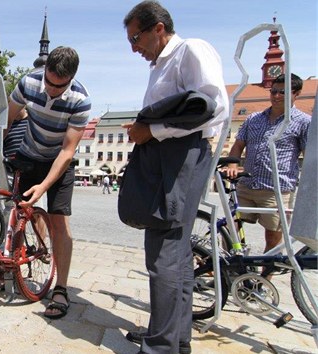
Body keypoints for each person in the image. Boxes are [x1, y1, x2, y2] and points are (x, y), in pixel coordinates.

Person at [121, 2, 229, 353]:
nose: (133, 48)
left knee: (164, 250)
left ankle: (161, 346)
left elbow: (212, 106)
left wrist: (153, 131)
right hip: (169, 156)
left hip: (180, 156)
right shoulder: (162, 62)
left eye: (136, 38)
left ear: (159, 28)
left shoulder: (190, 50)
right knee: (177, 253)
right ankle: (173, 337)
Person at [0, 46, 92, 319]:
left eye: (59, 87)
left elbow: (68, 151)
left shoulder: (80, 100)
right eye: (49, 83)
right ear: (45, 72)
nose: (52, 91)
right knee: (15, 212)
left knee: (59, 221)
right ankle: (5, 264)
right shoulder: (30, 82)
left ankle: (61, 288)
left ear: (71, 78)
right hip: (29, 153)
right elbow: (6, 119)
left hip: (59, 162)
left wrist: (44, 186)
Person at [226, 73, 310, 254]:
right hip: (246, 185)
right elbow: (238, 145)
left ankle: (264, 279)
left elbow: (307, 154)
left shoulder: (303, 122)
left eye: (283, 92)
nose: (276, 96)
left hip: (276, 190)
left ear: (297, 93)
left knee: (273, 236)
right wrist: (233, 165)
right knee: (230, 228)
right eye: (273, 91)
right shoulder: (254, 118)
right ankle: (232, 271)